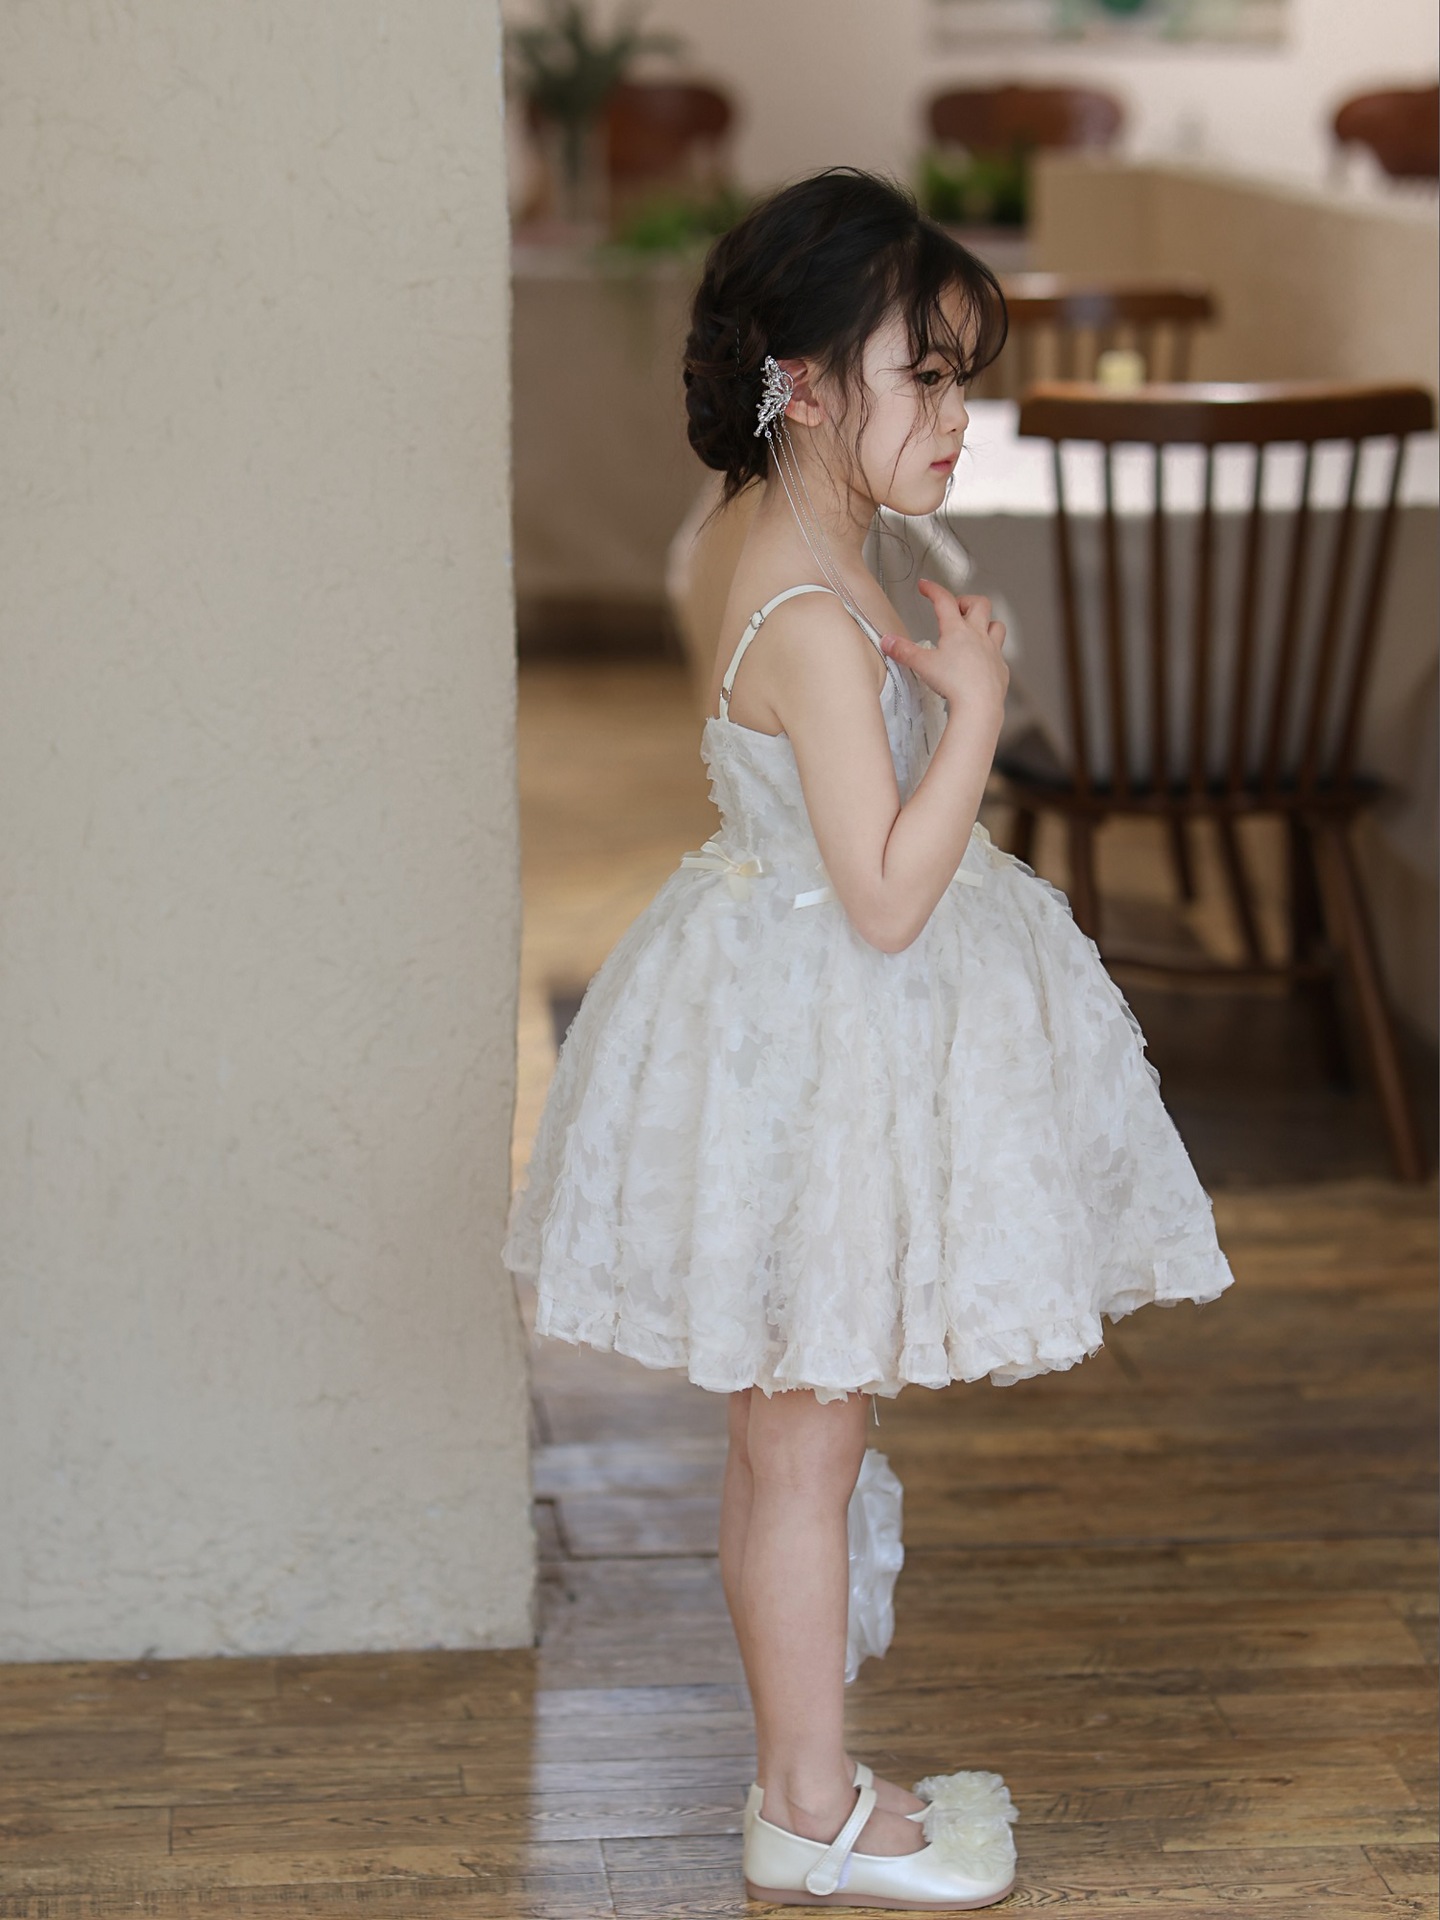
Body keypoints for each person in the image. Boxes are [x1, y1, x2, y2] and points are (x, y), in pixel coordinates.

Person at [503, 168, 1234, 1910]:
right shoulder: (815, 614)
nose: (959, 416)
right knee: (802, 1441)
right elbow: (891, 894)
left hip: (795, 1022)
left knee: (791, 1437)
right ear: (809, 384)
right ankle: (806, 1805)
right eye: (931, 376)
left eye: (965, 377)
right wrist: (975, 710)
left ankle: (802, 1779)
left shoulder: (794, 534)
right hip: (821, 1041)